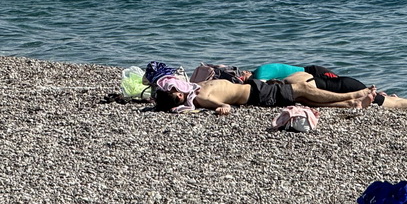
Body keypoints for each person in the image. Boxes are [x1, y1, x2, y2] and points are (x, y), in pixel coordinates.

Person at [152, 75, 376, 115]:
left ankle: (351, 105)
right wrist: (222, 108)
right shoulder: (201, 98)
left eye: (174, 89)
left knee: (305, 99)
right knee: (304, 91)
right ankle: (355, 94)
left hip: (255, 89)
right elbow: (224, 106)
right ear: (179, 99)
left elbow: (166, 81)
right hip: (257, 95)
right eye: (176, 93)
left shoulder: (192, 88)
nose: (177, 90)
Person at [253, 63, 407, 110]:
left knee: (393, 105)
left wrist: (356, 98)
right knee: (390, 101)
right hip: (345, 81)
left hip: (347, 88)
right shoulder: (294, 76)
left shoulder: (296, 86)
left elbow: (324, 98)